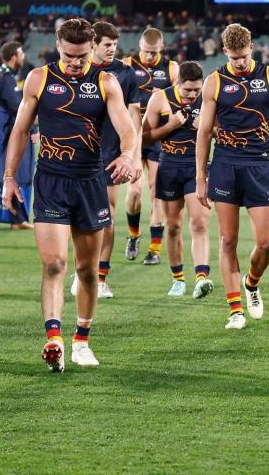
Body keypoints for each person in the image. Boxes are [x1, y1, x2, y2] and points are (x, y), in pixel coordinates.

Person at [0, 18, 138, 371]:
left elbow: (126, 127)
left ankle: (81, 341)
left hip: (90, 184)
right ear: (57, 48)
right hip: (50, 182)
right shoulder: (39, 79)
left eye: (82, 56)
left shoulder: (105, 82)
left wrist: (128, 154)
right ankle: (54, 339)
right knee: (54, 263)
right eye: (70, 56)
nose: (76, 63)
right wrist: (10, 177)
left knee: (87, 270)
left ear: (92, 49)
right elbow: (19, 131)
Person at [195, 23, 269, 330]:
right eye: (234, 56)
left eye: (244, 55)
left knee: (266, 243)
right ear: (225, 52)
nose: (239, 62)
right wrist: (200, 177)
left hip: (258, 165)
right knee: (228, 240)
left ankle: (251, 283)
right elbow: (203, 132)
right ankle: (235, 309)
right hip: (225, 165)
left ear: (251, 48)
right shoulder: (214, 82)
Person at [70, 21, 142, 299]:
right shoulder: (78, 71)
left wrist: (133, 156)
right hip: (79, 154)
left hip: (111, 155)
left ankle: (100, 277)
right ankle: (81, 269)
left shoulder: (125, 74)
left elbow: (134, 115)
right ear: (93, 45)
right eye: (107, 45)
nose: (112, 49)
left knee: (107, 216)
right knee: (77, 218)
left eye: (115, 44)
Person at [143, 61, 214, 299]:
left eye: (197, 90)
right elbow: (144, 137)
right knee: (173, 226)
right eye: (188, 91)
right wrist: (170, 125)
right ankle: (178, 279)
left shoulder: (209, 99)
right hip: (169, 166)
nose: (193, 95)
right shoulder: (160, 100)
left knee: (200, 223)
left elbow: (225, 133)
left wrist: (206, 128)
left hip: (197, 167)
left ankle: (201, 278)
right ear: (177, 83)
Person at [124, 28, 178, 265]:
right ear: (139, 46)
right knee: (135, 190)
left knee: (157, 190)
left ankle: (154, 250)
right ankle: (134, 235)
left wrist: (164, 96)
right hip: (134, 134)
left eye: (153, 52)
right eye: (145, 52)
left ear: (161, 48)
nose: (148, 56)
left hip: (158, 135)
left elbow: (181, 100)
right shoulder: (126, 65)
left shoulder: (171, 68)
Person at [0, 41, 35, 229]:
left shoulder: (0, 74)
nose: (23, 57)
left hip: (0, 131)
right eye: (20, 54)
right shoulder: (6, 79)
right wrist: (33, 129)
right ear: (13, 57)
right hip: (1, 134)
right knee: (13, 171)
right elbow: (17, 109)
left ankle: (17, 220)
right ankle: (18, 220)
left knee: (11, 173)